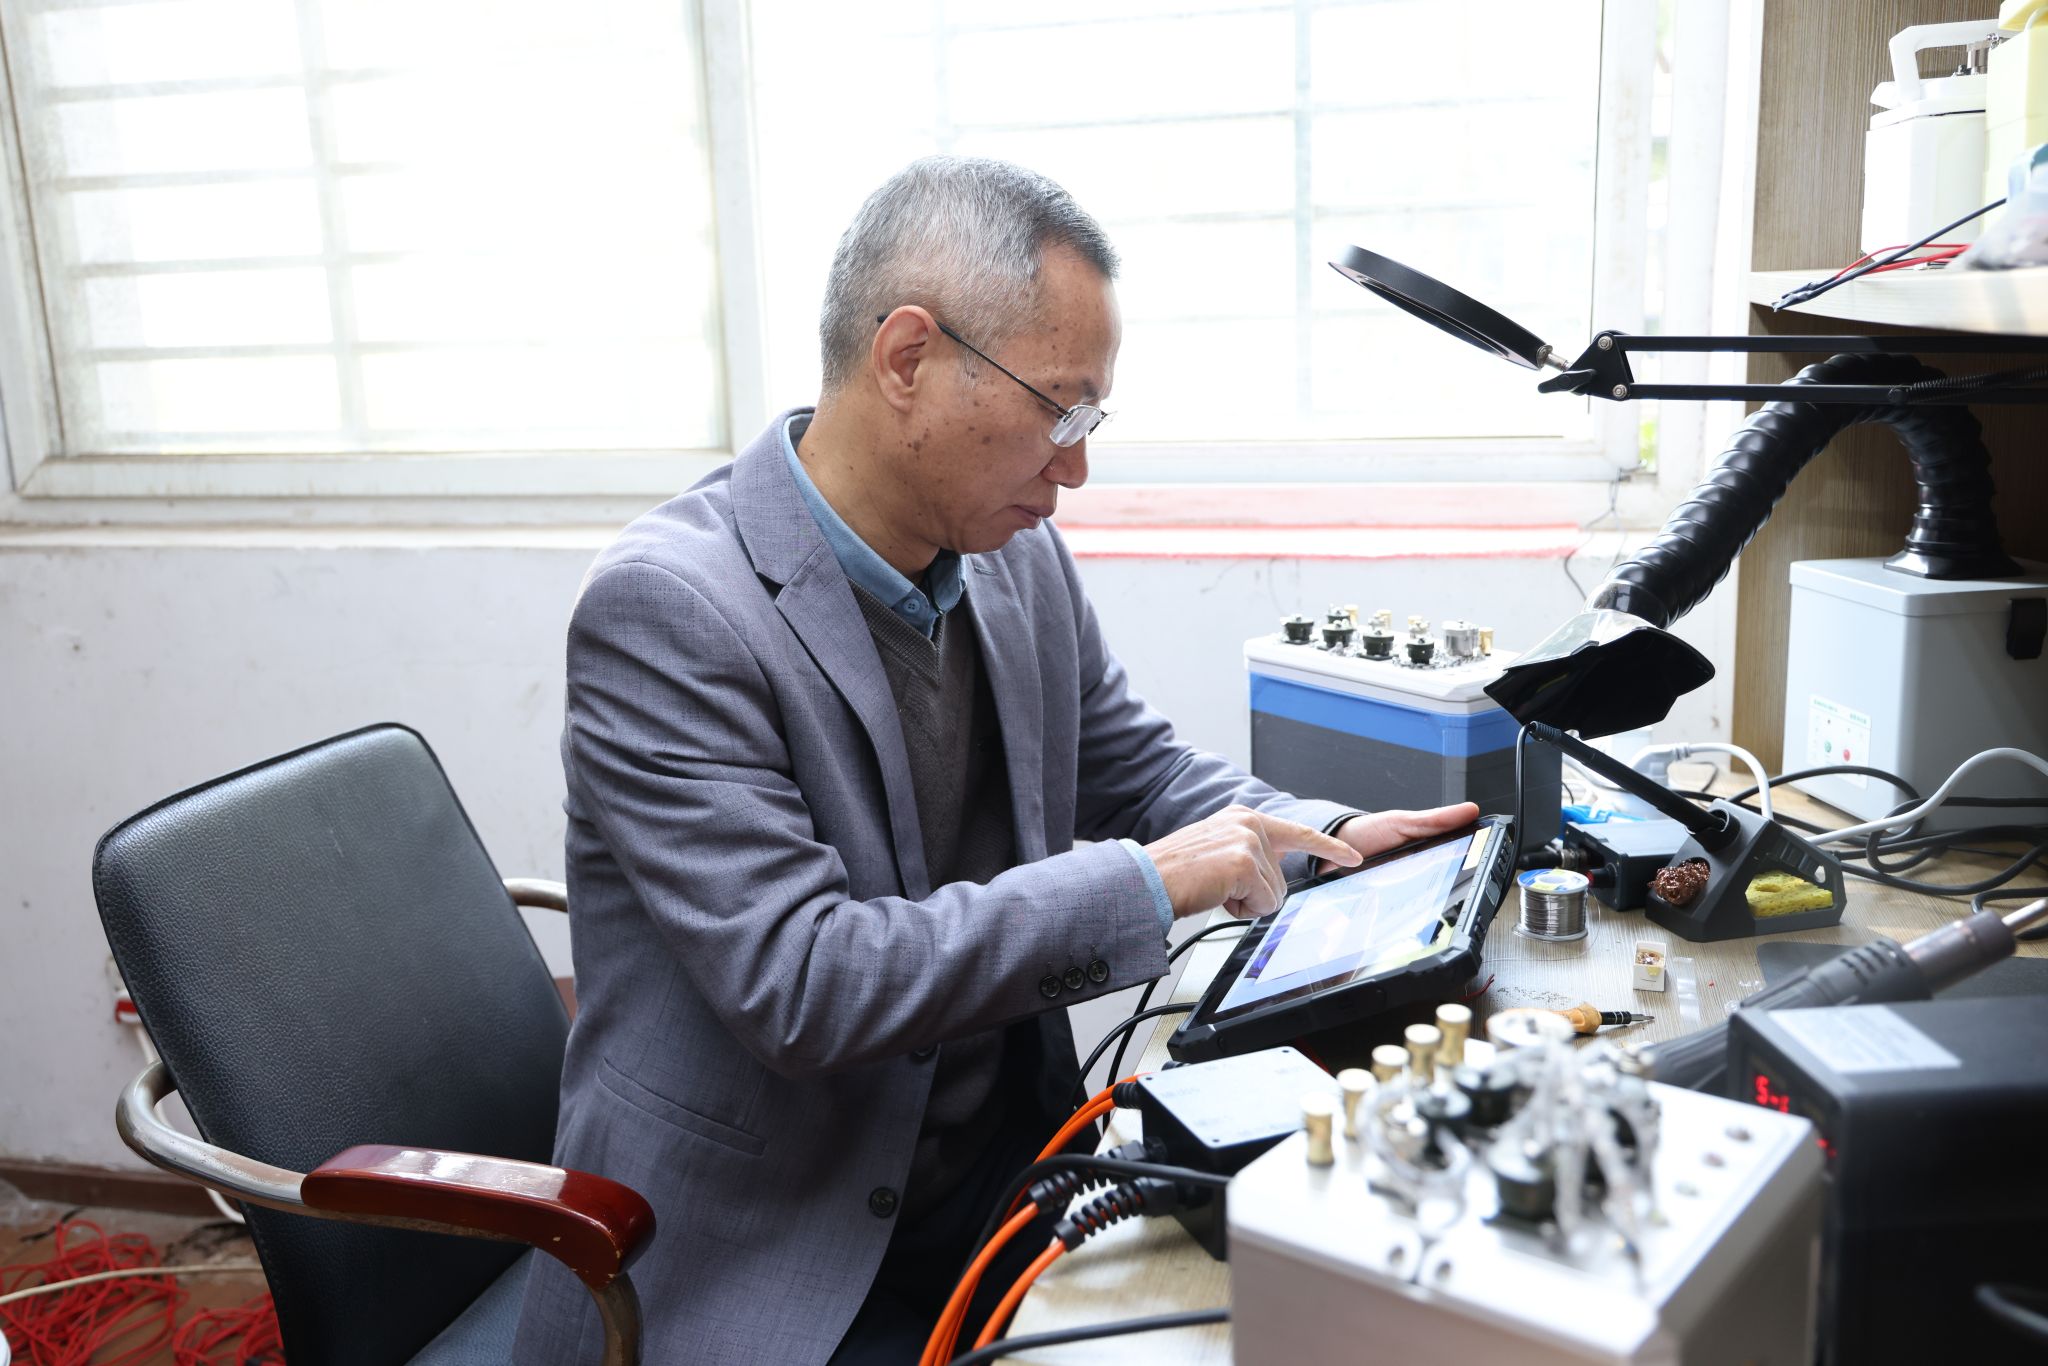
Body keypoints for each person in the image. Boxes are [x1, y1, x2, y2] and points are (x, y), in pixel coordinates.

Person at [513, 156, 1476, 1364]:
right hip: (777, 1242)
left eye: (1090, 421)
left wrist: (1317, 833)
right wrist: (1148, 881)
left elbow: (1132, 769)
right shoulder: (668, 611)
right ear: (907, 358)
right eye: (1057, 410)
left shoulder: (1008, 555)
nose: (1074, 468)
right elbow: (804, 982)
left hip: (995, 1173)